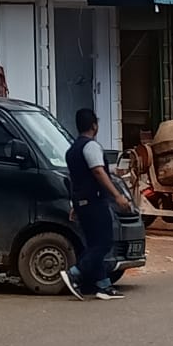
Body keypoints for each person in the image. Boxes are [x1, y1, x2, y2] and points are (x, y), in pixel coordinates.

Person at [59, 108, 132, 301]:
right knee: (104, 243)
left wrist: (75, 204)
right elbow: (98, 172)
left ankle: (103, 286)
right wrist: (117, 195)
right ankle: (74, 273)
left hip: (81, 203)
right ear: (94, 126)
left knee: (93, 245)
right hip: (94, 202)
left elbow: (75, 179)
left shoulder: (71, 151)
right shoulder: (91, 147)